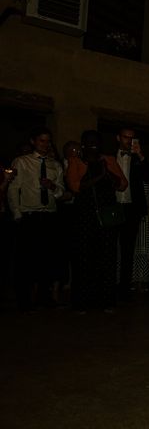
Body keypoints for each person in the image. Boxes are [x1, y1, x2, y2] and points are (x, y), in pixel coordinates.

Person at [66, 130, 127, 312]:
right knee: (84, 258)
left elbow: (123, 184)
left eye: (96, 142)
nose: (93, 145)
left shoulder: (109, 160)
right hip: (85, 215)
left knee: (107, 257)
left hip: (107, 215)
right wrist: (99, 177)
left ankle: (106, 301)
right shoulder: (76, 162)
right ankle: (83, 302)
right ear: (83, 144)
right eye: (89, 142)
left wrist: (108, 173)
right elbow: (75, 187)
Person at [7, 127, 65, 311]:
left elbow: (61, 191)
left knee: (46, 259)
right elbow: (14, 188)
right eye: (42, 141)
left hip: (49, 215)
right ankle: (24, 300)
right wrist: (17, 213)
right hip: (29, 215)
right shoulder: (22, 162)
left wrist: (53, 186)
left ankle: (43, 297)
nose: (46, 144)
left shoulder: (54, 165)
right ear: (33, 141)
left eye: (48, 141)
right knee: (25, 260)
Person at [114, 127, 148, 301]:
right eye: (126, 137)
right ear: (118, 137)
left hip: (131, 208)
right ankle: (108, 285)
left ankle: (124, 289)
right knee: (110, 248)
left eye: (132, 138)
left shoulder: (137, 158)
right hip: (113, 207)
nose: (129, 141)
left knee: (128, 250)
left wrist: (140, 156)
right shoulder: (110, 156)